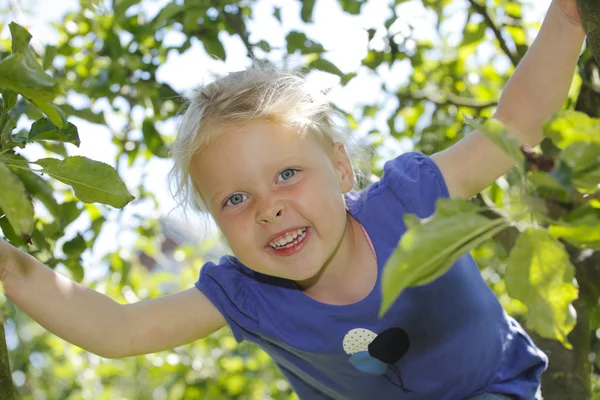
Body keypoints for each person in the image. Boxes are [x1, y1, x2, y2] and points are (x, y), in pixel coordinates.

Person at [0, 0, 585, 399]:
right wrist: (8, 263)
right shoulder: (248, 295)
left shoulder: (408, 200)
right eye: (234, 199)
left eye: (286, 174)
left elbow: (517, 125)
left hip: (499, 387)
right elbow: (115, 329)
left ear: (340, 169)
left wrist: (566, 19)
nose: (268, 207)